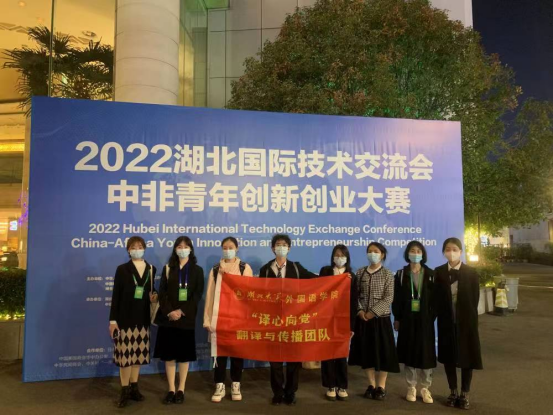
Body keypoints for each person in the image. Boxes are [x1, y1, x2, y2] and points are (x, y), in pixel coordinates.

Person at [259, 234, 317, 406]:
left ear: (289, 248)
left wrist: (338, 278)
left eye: (284, 245)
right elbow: (258, 294)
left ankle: (290, 392)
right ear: (272, 248)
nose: (281, 247)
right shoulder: (265, 270)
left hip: (293, 320)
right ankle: (277, 392)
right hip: (272, 321)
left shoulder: (296, 268)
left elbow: (316, 280)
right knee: (275, 360)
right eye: (278, 244)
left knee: (293, 359)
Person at [154, 236, 205, 405]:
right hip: (168, 319)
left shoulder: (197, 270)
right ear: (175, 249)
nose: (182, 249)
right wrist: (170, 311)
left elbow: (197, 295)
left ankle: (181, 389)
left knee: (183, 356)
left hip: (186, 319)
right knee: (169, 356)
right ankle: (171, 389)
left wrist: (181, 311)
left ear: (191, 249)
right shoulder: (168, 268)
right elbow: (162, 293)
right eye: (179, 246)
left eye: (185, 246)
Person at [109, 236, 158, 408]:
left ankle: (134, 388)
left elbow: (152, 291)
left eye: (139, 246)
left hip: (142, 319)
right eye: (133, 247)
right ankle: (124, 390)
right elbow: (116, 296)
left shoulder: (151, 269)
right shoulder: (122, 269)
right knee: (125, 358)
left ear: (144, 248)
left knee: (137, 356)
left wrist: (154, 297)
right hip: (124, 319)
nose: (137, 249)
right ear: (128, 250)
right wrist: (113, 321)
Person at [203, 236, 254, 403]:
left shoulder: (244, 268)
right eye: (225, 247)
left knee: (237, 353)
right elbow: (210, 296)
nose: (227, 250)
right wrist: (207, 319)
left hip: (239, 319)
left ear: (237, 248)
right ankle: (219, 385)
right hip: (219, 319)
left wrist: (248, 320)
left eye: (230, 247)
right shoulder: (215, 269)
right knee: (219, 354)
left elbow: (249, 295)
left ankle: (236, 384)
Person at [434, 237, 483, 410]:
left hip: (466, 323)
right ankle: (453, 391)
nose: (451, 252)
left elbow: (475, 298)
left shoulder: (471, 272)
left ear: (461, 252)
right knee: (448, 357)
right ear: (444, 252)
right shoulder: (439, 272)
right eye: (448, 249)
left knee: (467, 357)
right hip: (446, 322)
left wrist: (469, 317)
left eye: (455, 249)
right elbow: (436, 298)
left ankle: (465, 393)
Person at [349, 241, 399, 401]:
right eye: (370, 251)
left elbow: (388, 297)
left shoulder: (387, 274)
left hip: (381, 320)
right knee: (367, 353)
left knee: (384, 353)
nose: (372, 254)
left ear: (382, 255)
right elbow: (355, 295)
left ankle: (381, 386)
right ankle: (371, 384)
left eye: (376, 251)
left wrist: (372, 313)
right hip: (363, 319)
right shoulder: (360, 272)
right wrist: (360, 311)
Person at [392, 241, 436, 404]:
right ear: (407, 253)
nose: (415, 253)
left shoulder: (431, 274)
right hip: (407, 320)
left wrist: (431, 316)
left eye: (418, 251)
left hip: (425, 321)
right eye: (412, 250)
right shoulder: (401, 274)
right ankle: (411, 386)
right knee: (409, 352)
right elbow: (396, 299)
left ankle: (425, 388)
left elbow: (436, 299)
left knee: (426, 353)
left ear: (423, 254)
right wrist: (397, 318)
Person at [318, 244, 352, 401]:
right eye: (337, 255)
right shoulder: (325, 271)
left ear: (347, 258)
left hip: (343, 320)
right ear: (332, 257)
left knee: (341, 353)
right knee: (327, 353)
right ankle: (330, 385)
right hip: (326, 318)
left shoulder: (351, 275)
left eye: (342, 255)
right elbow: (318, 291)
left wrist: (352, 325)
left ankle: (342, 385)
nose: (339, 258)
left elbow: (354, 300)